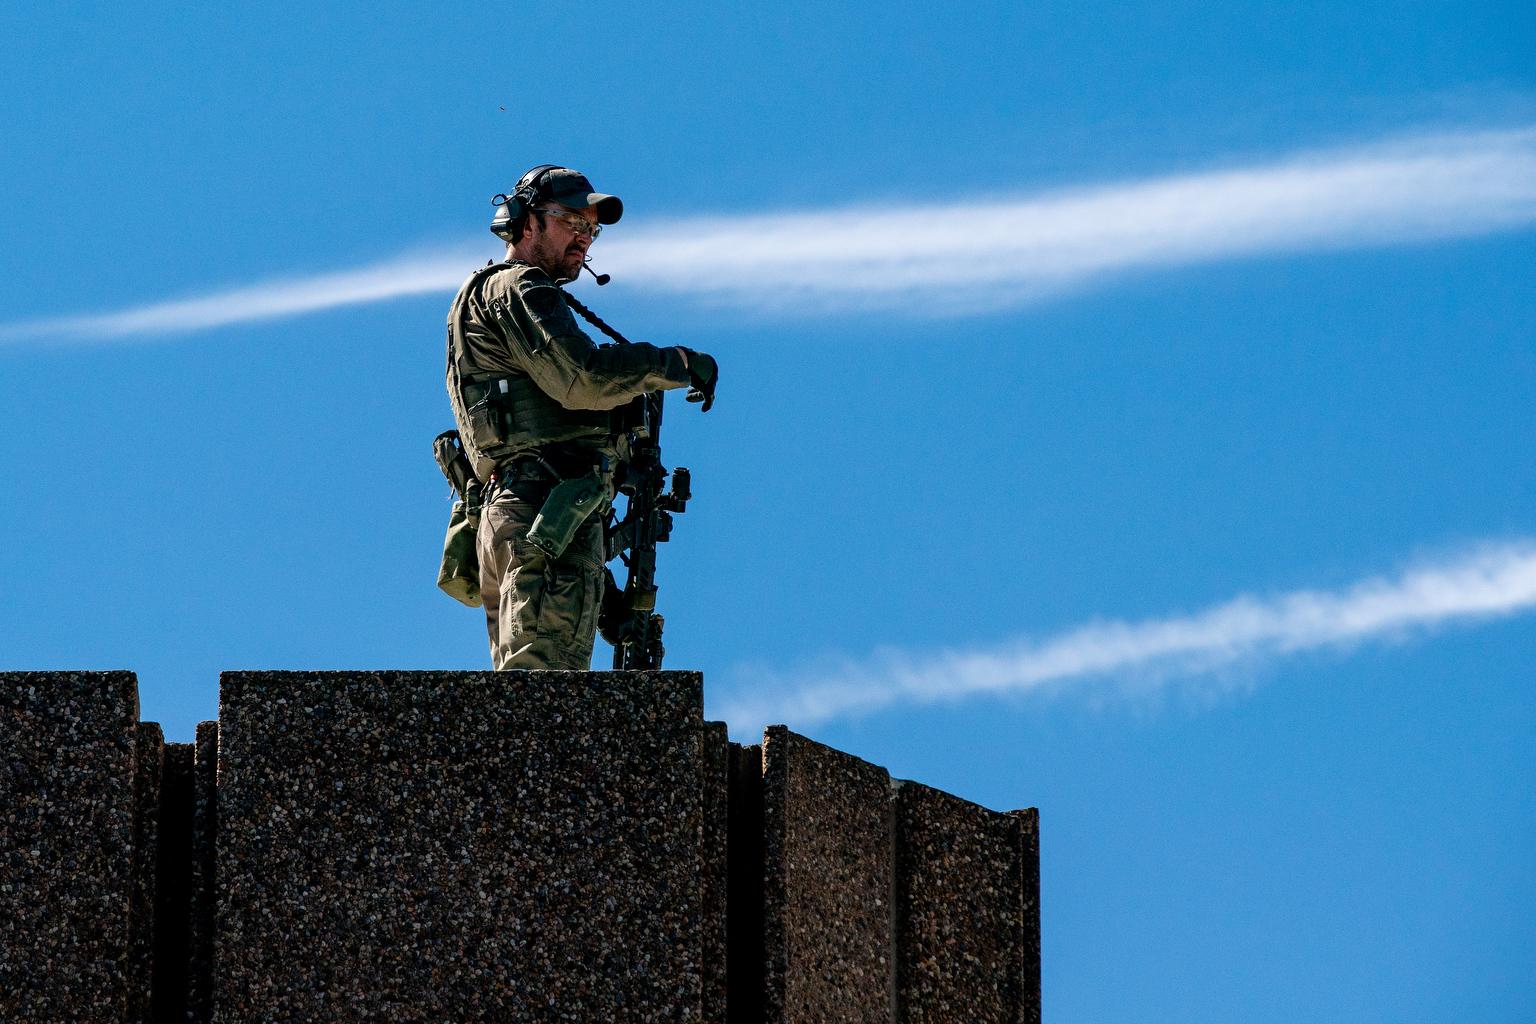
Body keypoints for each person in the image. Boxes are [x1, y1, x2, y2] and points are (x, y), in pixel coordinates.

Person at [445, 165, 717, 670]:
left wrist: (608, 606)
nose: (585, 239)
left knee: (545, 699)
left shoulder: (491, 294)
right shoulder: (518, 287)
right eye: (572, 221)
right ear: (525, 222)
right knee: (544, 709)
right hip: (539, 516)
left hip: (541, 518)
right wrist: (673, 364)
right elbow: (581, 377)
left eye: (591, 230)